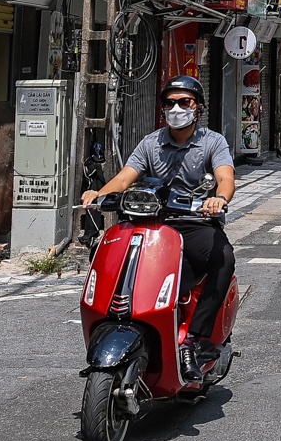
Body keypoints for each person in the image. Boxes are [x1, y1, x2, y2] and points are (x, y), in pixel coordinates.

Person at [82, 76, 235, 379]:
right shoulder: (151, 143)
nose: (177, 108)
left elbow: (226, 177)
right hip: (151, 222)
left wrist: (218, 199)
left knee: (223, 259)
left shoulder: (212, 142)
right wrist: (98, 194)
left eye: (184, 102)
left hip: (193, 222)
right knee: (106, 251)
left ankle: (194, 339)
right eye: (170, 103)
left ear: (198, 108)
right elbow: (126, 177)